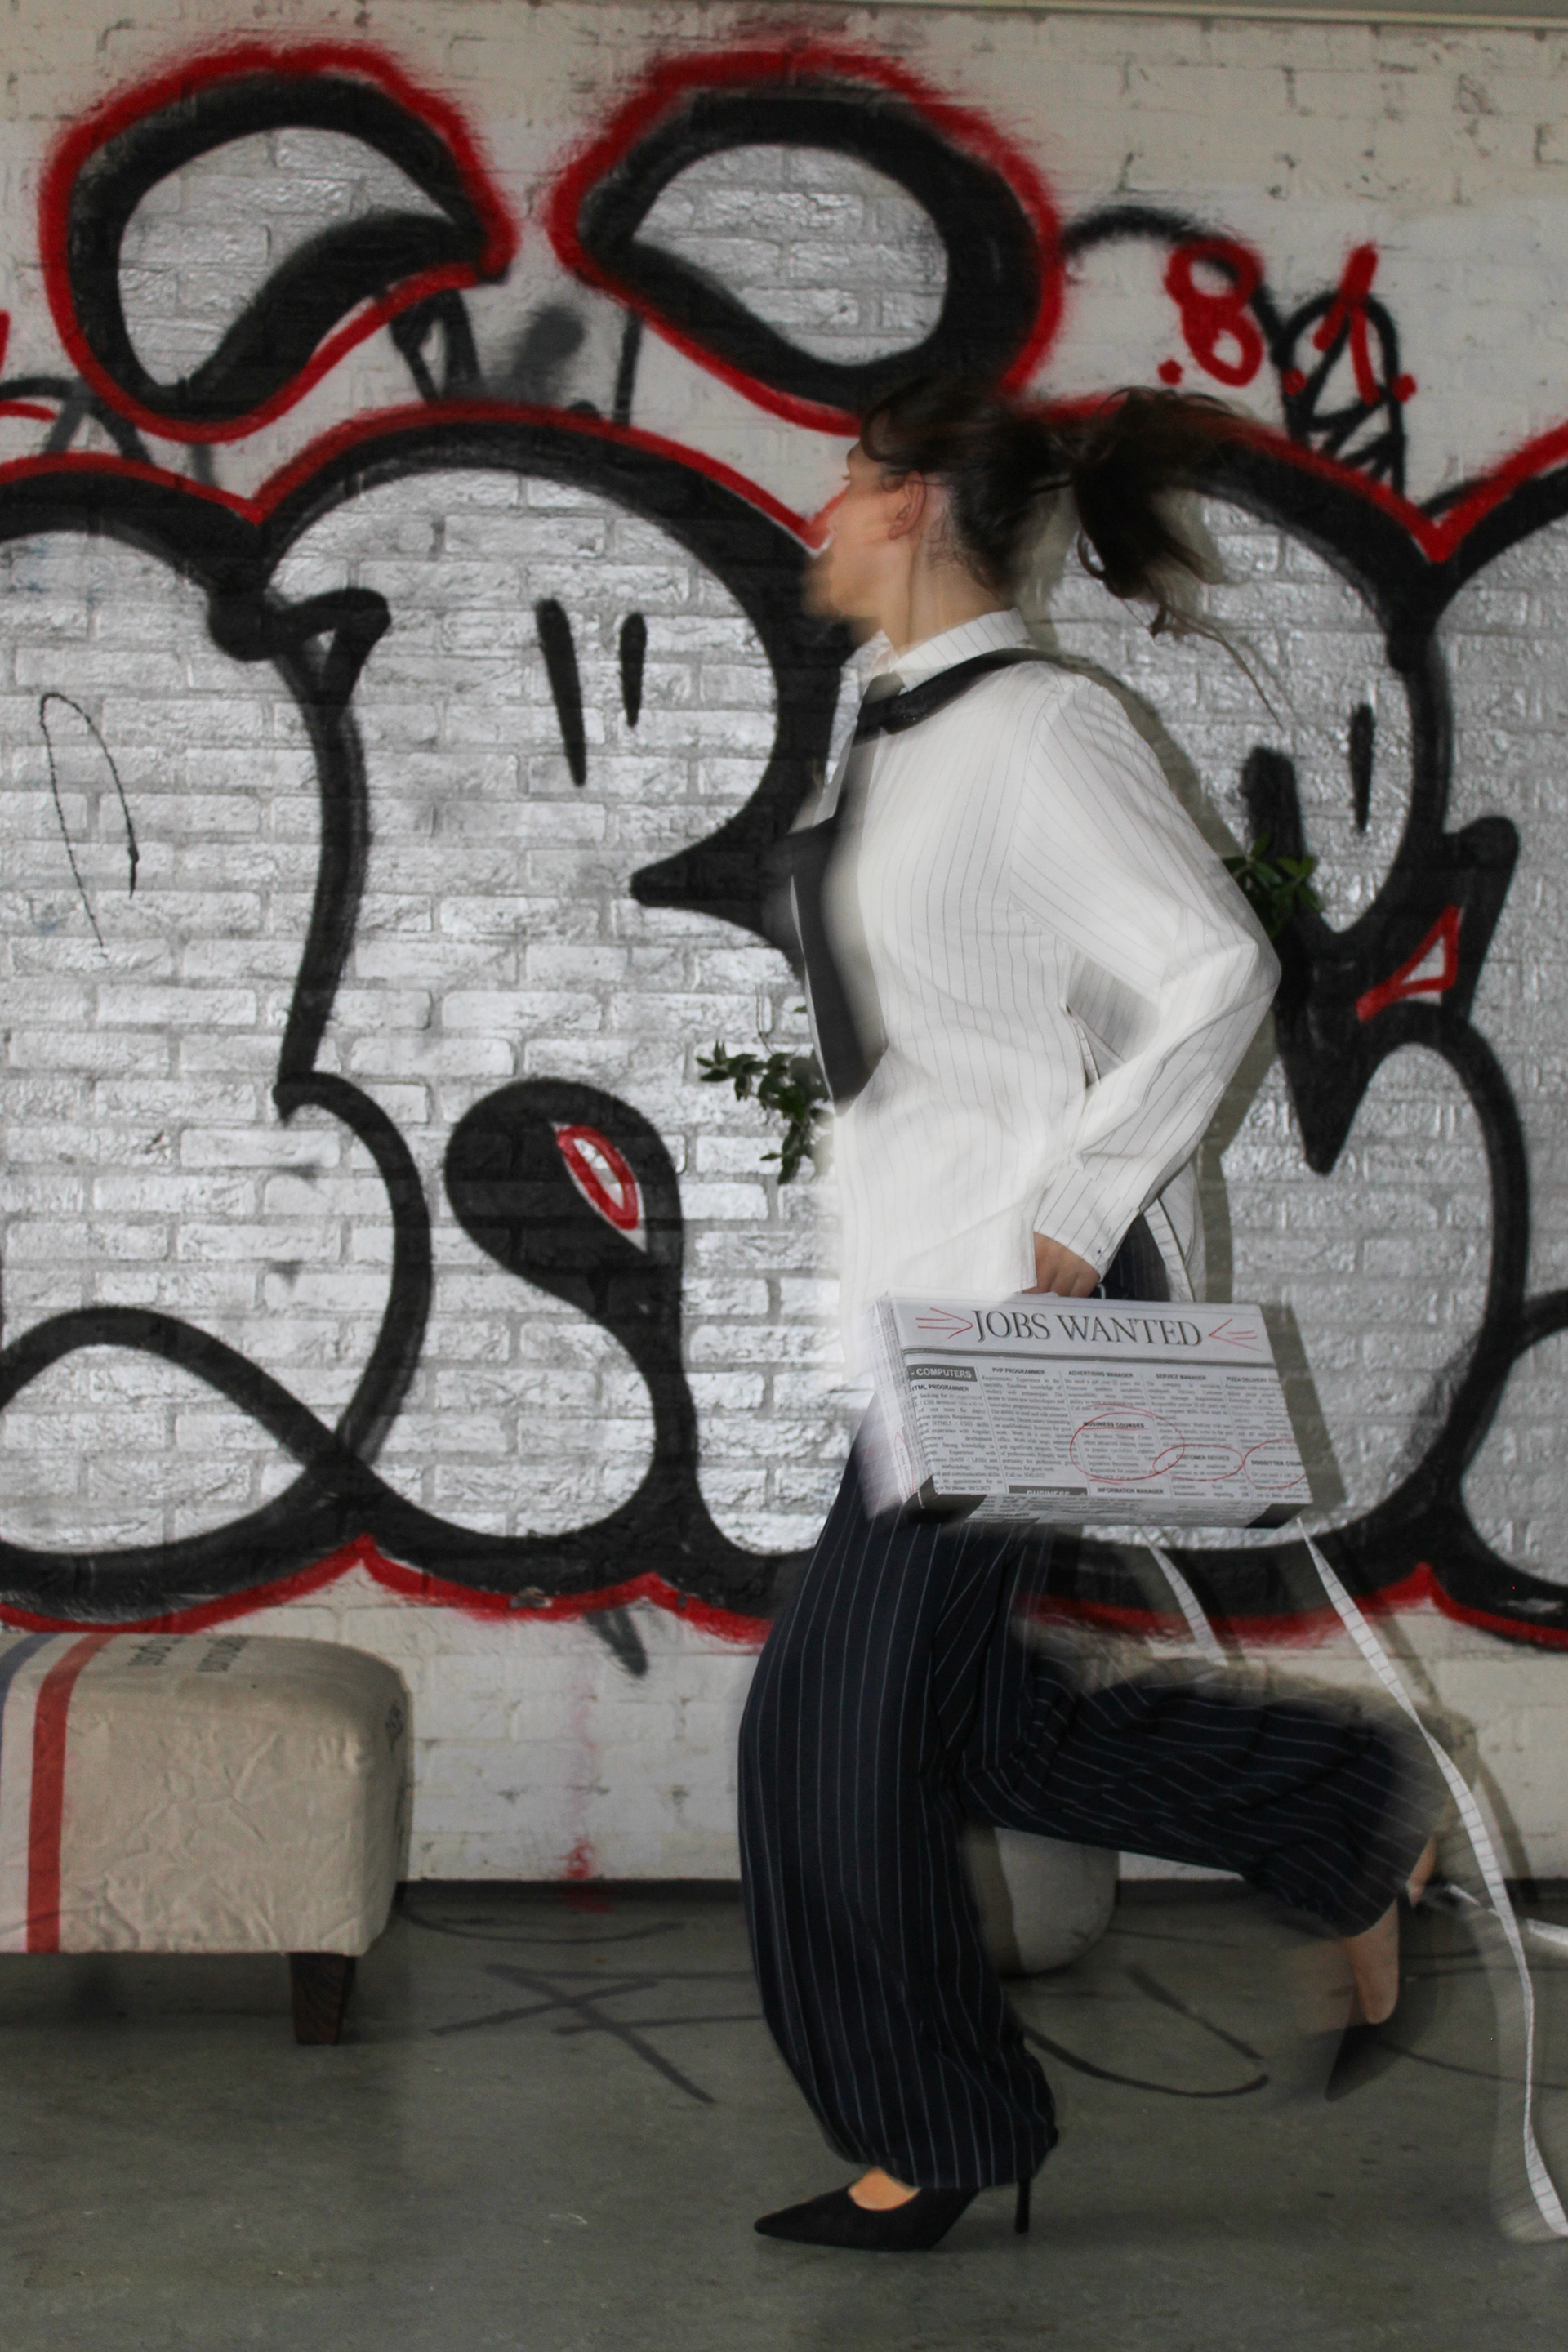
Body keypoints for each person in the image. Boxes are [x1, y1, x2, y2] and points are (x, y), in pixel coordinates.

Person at [737, 376, 1438, 2253]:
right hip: (927, 1308)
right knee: (967, 1731)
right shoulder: (898, 734)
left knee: (824, 1736)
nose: (818, 512)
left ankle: (935, 2134)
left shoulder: (1041, 727)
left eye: (845, 483)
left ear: (910, 508)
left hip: (1012, 1297)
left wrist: (1076, 1202)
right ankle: (1338, 1806)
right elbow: (961, 1049)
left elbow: (1214, 966)